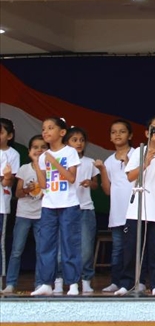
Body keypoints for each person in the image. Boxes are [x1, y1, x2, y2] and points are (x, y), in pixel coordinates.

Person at [116, 117, 155, 296]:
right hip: (136, 210)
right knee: (131, 249)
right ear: (146, 132)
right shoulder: (139, 151)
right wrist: (145, 163)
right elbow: (130, 176)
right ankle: (129, 283)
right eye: (154, 127)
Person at [31, 118, 81, 296]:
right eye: (43, 128)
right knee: (46, 244)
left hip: (68, 204)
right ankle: (46, 283)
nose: (45, 132)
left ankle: (73, 283)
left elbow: (71, 178)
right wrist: (37, 163)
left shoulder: (70, 152)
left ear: (62, 132)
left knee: (69, 243)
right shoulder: (44, 156)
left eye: (50, 128)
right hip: (49, 205)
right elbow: (43, 184)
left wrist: (54, 162)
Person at [95, 119, 135, 293]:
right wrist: (103, 170)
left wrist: (128, 162)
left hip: (134, 211)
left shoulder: (137, 154)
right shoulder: (109, 160)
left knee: (134, 248)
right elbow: (107, 190)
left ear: (130, 135)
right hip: (117, 212)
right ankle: (116, 281)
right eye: (114, 132)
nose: (117, 134)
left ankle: (137, 281)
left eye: (122, 131)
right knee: (118, 249)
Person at [2, 136, 46, 293]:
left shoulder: (50, 169)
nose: (39, 150)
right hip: (23, 214)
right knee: (16, 250)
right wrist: (28, 189)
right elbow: (18, 193)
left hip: (42, 214)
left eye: (43, 147)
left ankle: (40, 283)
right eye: (35, 147)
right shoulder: (24, 169)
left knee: (41, 251)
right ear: (29, 151)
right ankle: (11, 283)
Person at [67, 127, 100, 294]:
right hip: (67, 208)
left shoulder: (89, 162)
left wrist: (89, 183)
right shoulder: (63, 161)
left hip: (86, 208)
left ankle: (86, 279)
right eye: (74, 140)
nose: (79, 143)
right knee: (64, 247)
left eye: (81, 140)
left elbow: (96, 185)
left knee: (86, 248)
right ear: (67, 143)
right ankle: (61, 279)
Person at [0, 118, 20, 288]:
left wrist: (6, 177)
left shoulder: (12, 154)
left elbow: (8, 181)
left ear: (9, 135)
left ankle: (1, 280)